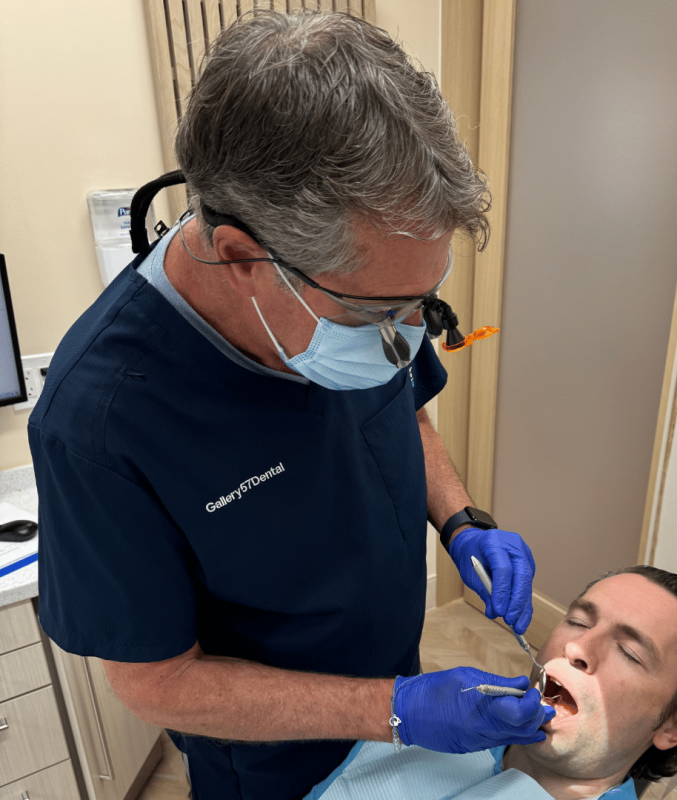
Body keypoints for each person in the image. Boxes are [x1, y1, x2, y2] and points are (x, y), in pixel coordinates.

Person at [28, 10, 551, 800]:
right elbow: (155, 683)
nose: (407, 337)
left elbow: (404, 410)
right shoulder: (100, 420)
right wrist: (396, 711)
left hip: (390, 689)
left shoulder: (362, 301)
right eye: (381, 313)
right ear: (242, 254)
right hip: (272, 764)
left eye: (424, 302)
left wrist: (461, 519)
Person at [301, 566, 677, 800]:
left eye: (629, 652)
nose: (577, 647)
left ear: (673, 727)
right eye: (578, 620)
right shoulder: (431, 729)